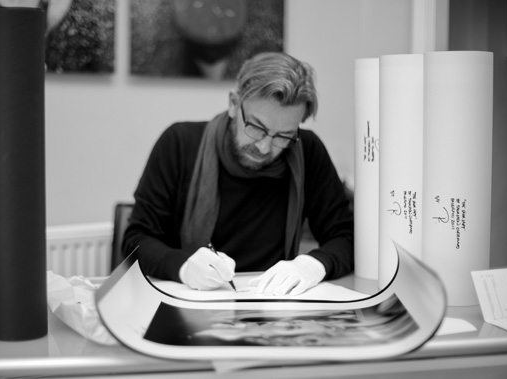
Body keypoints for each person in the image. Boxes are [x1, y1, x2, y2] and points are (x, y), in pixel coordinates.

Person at [122, 52, 354, 296]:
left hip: (272, 307)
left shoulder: (307, 151)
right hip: (188, 305)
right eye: (256, 127)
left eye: (283, 136)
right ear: (234, 103)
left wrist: (311, 266)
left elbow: (346, 237)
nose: (265, 147)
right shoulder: (179, 144)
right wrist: (183, 266)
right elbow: (135, 240)